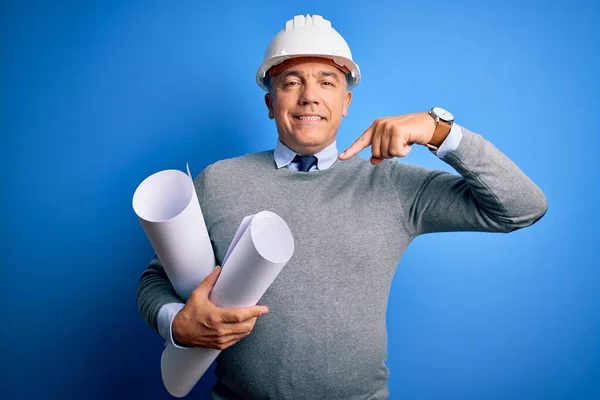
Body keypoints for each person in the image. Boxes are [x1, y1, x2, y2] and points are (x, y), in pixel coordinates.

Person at [136, 14, 547, 399]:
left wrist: (439, 131)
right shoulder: (219, 180)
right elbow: (155, 280)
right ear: (269, 102)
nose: (309, 97)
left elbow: (522, 208)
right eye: (291, 82)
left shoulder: (394, 185)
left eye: (327, 82)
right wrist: (176, 323)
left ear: (346, 101)